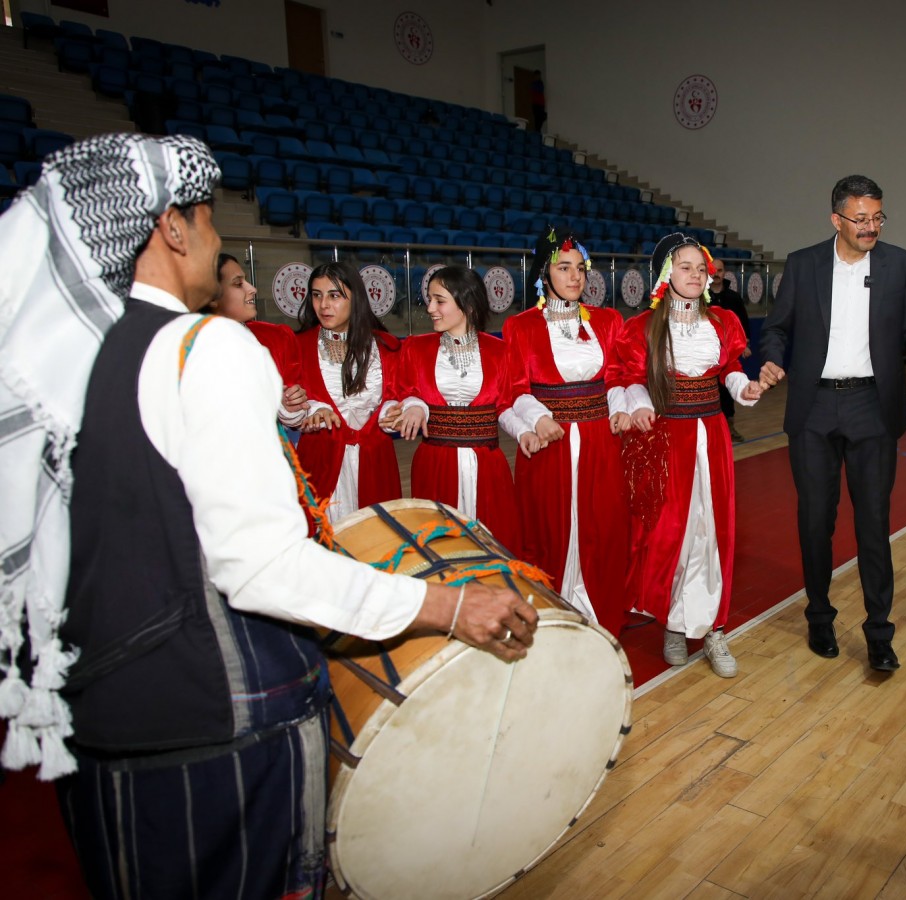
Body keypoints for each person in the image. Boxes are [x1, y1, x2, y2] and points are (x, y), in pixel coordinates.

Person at [0, 133, 536, 899]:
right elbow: (259, 567)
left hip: (101, 728)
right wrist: (446, 604)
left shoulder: (56, 364)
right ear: (172, 229)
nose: (222, 244)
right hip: (214, 731)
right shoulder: (202, 349)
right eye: (210, 219)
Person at [758, 175, 906, 672]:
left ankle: (879, 632)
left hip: (873, 406)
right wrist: (771, 359)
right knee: (816, 521)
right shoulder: (803, 263)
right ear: (836, 219)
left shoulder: (900, 264)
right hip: (813, 407)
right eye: (861, 219)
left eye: (878, 217)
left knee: (874, 523)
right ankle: (819, 615)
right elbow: (777, 327)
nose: (871, 227)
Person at [619, 235, 763, 677]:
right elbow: (628, 377)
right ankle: (675, 623)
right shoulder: (643, 326)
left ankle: (714, 627)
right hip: (667, 438)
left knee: (712, 530)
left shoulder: (721, 321)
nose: (696, 274)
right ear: (666, 274)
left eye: (701, 268)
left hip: (711, 434)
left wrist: (744, 388)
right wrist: (639, 402)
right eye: (685, 267)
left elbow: (730, 370)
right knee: (671, 533)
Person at [504, 228, 631, 636]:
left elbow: (617, 377)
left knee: (603, 527)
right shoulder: (520, 327)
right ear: (544, 273)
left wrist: (622, 409)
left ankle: (599, 614)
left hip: (600, 442)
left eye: (580, 268)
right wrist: (539, 418)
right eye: (564, 268)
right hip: (549, 444)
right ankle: (550, 615)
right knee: (547, 529)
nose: (575, 277)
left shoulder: (609, 321)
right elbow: (515, 389)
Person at [396, 264, 529, 552]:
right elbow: (406, 391)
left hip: (488, 465)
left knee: (494, 542)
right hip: (434, 463)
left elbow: (504, 405)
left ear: (467, 304)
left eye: (439, 300)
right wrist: (415, 406)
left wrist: (523, 432)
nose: (431, 308)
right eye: (429, 299)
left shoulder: (500, 351)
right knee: (439, 547)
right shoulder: (415, 348)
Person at [295, 260, 403, 524]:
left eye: (334, 295)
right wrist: (307, 408)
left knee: (378, 541)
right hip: (319, 464)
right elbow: (285, 401)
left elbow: (399, 395)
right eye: (317, 296)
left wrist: (394, 413)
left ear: (356, 298)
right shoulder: (296, 347)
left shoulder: (387, 347)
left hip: (376, 464)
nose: (323, 305)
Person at [208, 252, 308, 432]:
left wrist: (288, 406)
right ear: (212, 296)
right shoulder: (192, 350)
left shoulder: (273, 338)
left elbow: (292, 420)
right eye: (238, 284)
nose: (252, 288)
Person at [709, 257, 752, 442]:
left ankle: (730, 428)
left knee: (727, 392)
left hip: (728, 354)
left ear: (724, 272)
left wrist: (745, 345)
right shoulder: (701, 297)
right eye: (714, 270)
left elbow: (743, 323)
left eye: (719, 270)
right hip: (707, 355)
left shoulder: (733, 298)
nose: (716, 274)